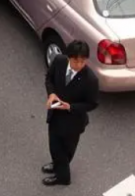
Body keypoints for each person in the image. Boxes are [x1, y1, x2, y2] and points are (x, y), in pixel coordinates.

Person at [41, 40, 99, 186]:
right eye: (75, 61)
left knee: (66, 151)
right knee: (54, 145)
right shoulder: (59, 61)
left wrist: (70, 107)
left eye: (83, 61)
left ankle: (63, 177)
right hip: (55, 114)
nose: (79, 65)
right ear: (68, 57)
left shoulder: (90, 79)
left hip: (73, 121)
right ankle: (57, 164)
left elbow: (92, 104)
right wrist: (51, 94)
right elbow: (49, 78)